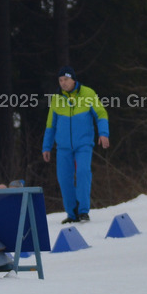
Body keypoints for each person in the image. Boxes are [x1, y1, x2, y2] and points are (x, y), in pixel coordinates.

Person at [42, 66, 109, 223]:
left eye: (65, 79)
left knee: (83, 172)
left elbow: (101, 114)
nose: (63, 83)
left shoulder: (88, 93)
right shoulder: (57, 99)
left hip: (83, 144)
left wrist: (103, 133)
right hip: (63, 147)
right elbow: (50, 125)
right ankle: (72, 214)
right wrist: (46, 146)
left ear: (73, 79)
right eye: (60, 80)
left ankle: (83, 211)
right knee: (64, 179)